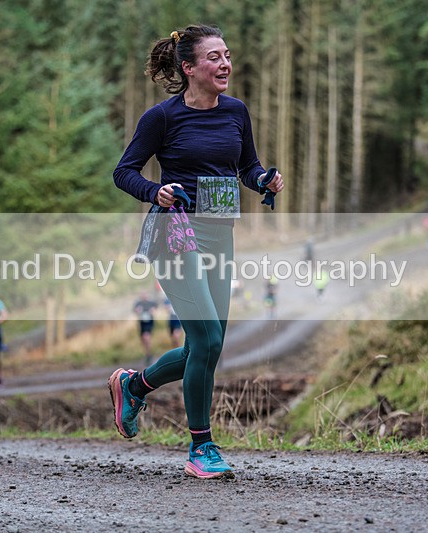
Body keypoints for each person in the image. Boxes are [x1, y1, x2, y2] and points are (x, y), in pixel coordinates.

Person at [108, 24, 284, 479]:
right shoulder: (162, 118)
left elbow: (246, 165)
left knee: (207, 345)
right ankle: (200, 447)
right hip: (176, 233)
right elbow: (124, 171)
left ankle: (134, 385)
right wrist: (156, 190)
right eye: (213, 57)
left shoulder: (236, 111)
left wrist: (263, 180)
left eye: (227, 55)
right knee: (206, 340)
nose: (225, 63)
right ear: (189, 68)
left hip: (219, 234)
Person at [133, 292, 159, 365]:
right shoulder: (138, 303)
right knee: (143, 340)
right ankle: (148, 354)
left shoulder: (151, 302)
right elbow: (134, 309)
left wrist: (153, 310)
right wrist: (137, 310)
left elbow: (156, 306)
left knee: (146, 337)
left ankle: (149, 355)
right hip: (142, 323)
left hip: (149, 322)